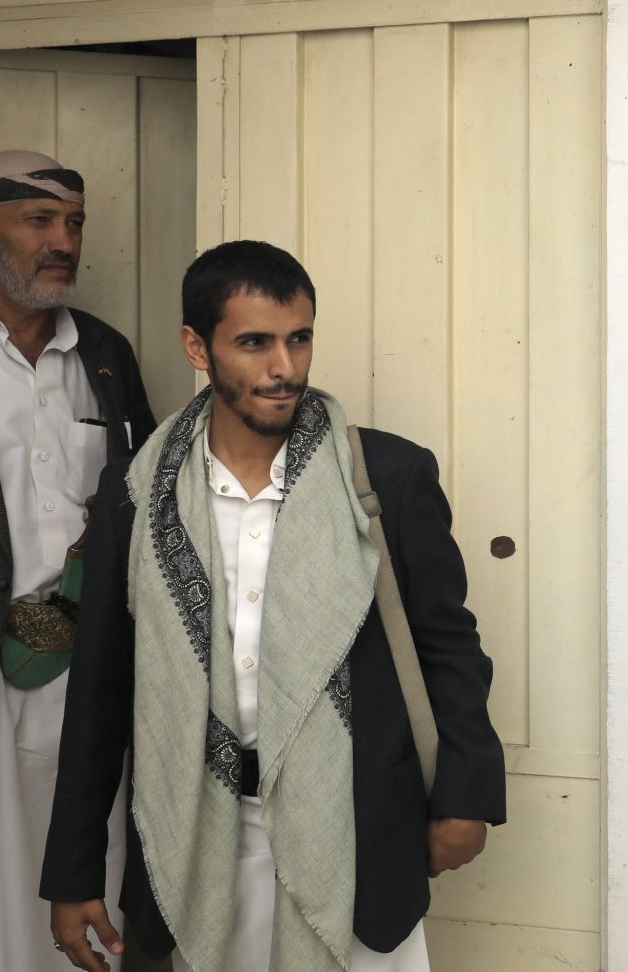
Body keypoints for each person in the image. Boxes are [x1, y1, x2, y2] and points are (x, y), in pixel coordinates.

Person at [42, 240, 506, 972]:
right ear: (197, 345)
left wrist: (466, 793)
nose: (283, 367)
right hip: (193, 836)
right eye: (254, 343)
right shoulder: (135, 497)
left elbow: (448, 645)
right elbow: (99, 690)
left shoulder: (386, 476)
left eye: (298, 339)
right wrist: (71, 872)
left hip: (354, 833)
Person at [0, 150, 156, 970]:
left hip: (85, 680)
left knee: (88, 883)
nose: (64, 241)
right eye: (38, 220)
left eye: (74, 223)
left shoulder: (104, 356)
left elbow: (145, 513)